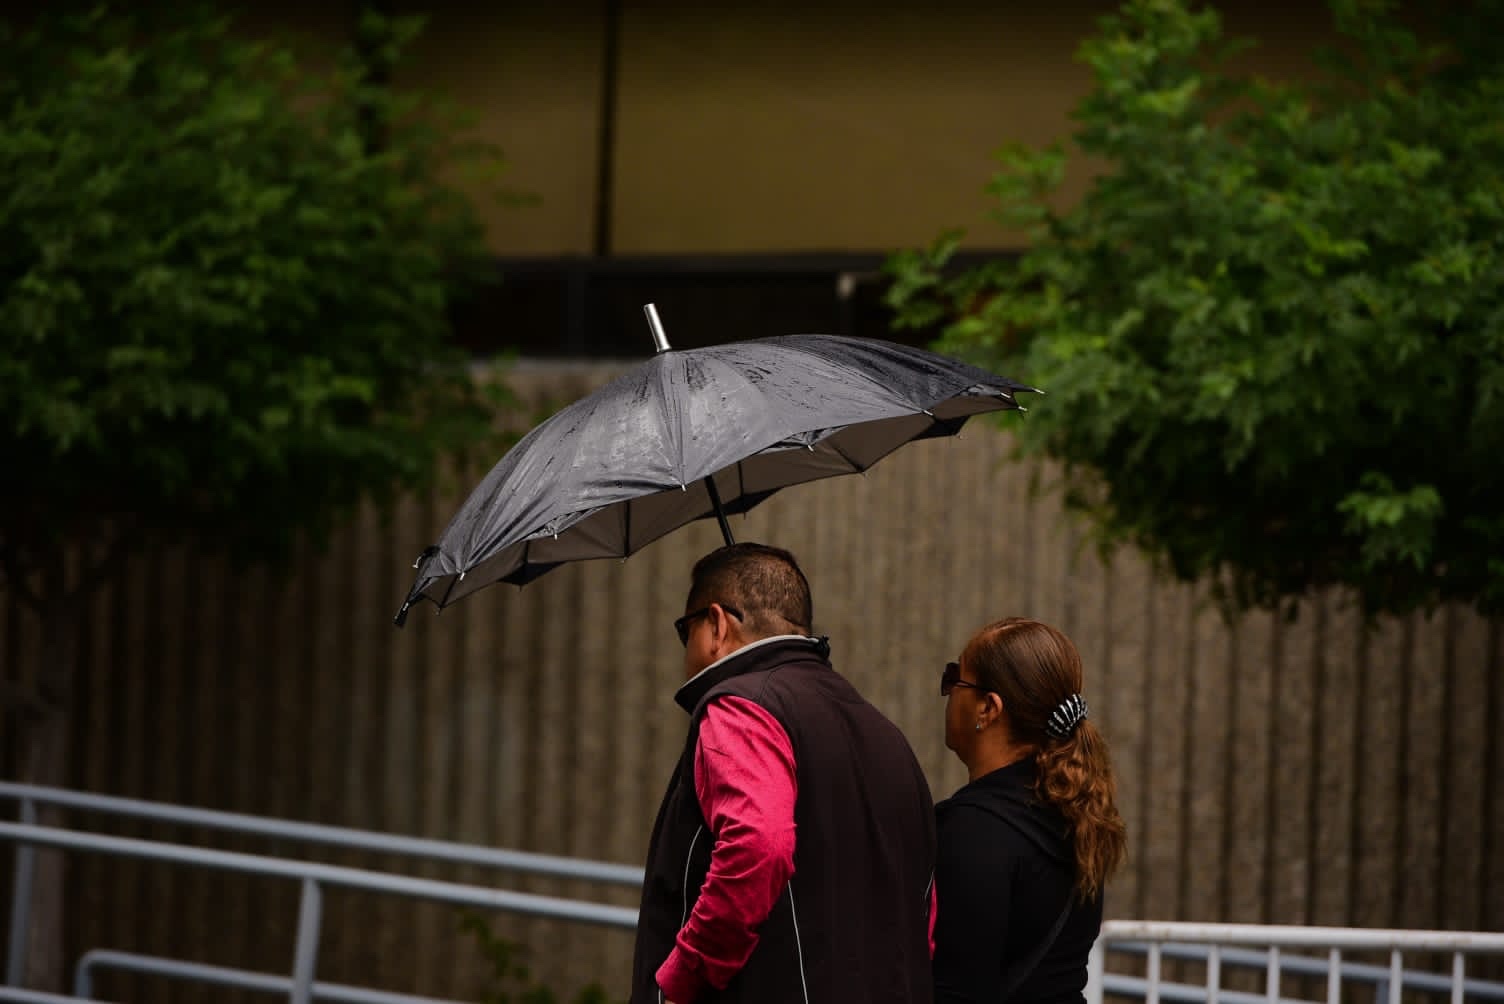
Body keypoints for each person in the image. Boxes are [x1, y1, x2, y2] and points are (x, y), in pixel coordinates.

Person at [631, 542, 937, 1004]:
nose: (687, 650)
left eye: (685, 630)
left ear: (716, 624)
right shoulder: (883, 730)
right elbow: (925, 909)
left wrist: (683, 978)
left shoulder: (741, 709)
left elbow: (759, 846)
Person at [932, 617, 1127, 1004]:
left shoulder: (973, 831)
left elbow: (955, 990)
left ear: (988, 707)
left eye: (956, 678)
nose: (949, 691)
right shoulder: (1074, 816)